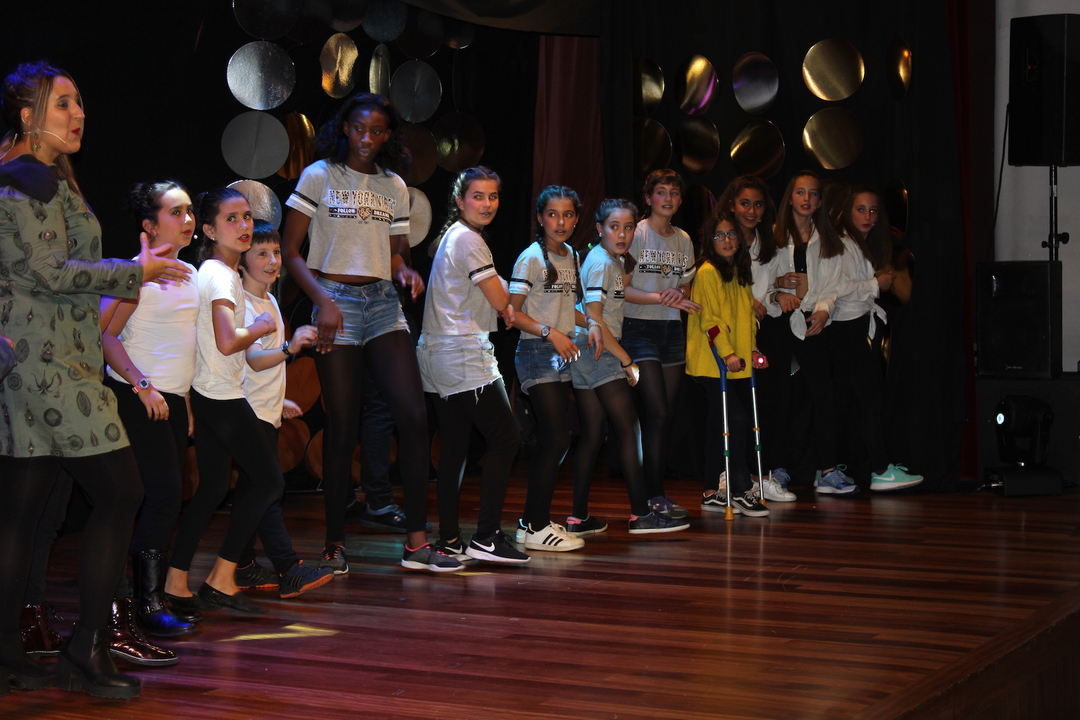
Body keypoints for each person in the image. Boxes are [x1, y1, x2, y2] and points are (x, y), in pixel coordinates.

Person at [0, 60, 189, 699]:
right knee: (122, 492)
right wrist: (134, 272)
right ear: (27, 115)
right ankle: (87, 648)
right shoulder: (27, 178)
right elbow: (52, 272)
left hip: (41, 363)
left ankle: (8, 653)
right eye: (62, 104)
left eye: (79, 102)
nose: (78, 114)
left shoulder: (38, 175)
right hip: (50, 366)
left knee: (21, 513)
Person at [281, 92, 445, 573]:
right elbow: (291, 251)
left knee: (413, 416)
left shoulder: (394, 185)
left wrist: (404, 272)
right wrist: (323, 301)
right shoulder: (320, 175)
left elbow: (394, 253)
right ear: (345, 129)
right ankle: (334, 544)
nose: (367, 138)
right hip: (335, 300)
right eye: (359, 128)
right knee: (343, 424)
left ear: (388, 135)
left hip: (382, 303)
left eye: (377, 130)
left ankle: (416, 544)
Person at [164, 188, 334, 617]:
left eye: (246, 217)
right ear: (209, 230)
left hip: (213, 393)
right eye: (231, 219)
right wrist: (260, 327)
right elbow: (227, 342)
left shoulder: (216, 271)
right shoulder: (221, 275)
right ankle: (221, 579)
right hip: (220, 395)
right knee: (269, 482)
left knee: (212, 491)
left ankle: (175, 583)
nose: (243, 226)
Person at [101, 180, 200, 644]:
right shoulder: (137, 274)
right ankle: (147, 604)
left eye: (189, 210)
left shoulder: (190, 272)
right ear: (150, 225)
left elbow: (183, 345)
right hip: (139, 396)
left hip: (172, 402)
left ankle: (149, 599)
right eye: (175, 212)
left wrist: (187, 403)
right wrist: (143, 387)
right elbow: (106, 336)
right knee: (162, 495)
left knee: (166, 497)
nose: (187, 219)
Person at [418, 166, 528, 565]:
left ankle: (449, 539)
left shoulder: (455, 235)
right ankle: (486, 537)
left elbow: (496, 301)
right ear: (459, 200)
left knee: (455, 448)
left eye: (493, 196)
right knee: (506, 439)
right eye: (478, 196)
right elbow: (501, 302)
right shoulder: (469, 240)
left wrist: (506, 303)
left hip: (438, 351)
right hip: (460, 352)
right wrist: (517, 295)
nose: (487, 204)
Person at [231, 219, 349, 591]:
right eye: (261, 254)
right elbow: (253, 360)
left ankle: (242, 565)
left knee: (253, 490)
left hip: (265, 411)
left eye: (276, 252)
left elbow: (261, 367)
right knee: (268, 488)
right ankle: (288, 567)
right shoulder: (242, 304)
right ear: (241, 262)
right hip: (247, 413)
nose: (272, 261)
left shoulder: (269, 300)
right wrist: (290, 346)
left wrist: (279, 399)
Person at [569, 199, 689, 535]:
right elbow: (594, 318)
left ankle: (578, 518)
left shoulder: (609, 260)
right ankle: (641, 514)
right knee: (629, 429)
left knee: (594, 433)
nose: (622, 234)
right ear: (599, 229)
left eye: (628, 227)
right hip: (598, 349)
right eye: (614, 227)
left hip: (588, 349)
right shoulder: (601, 262)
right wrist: (626, 360)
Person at [508, 185, 599, 551]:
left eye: (567, 215)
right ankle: (535, 525)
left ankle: (531, 522)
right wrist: (551, 333)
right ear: (540, 218)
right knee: (558, 438)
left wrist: (591, 323)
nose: (560, 222)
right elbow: (511, 314)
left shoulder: (572, 255)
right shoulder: (531, 257)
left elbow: (565, 308)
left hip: (560, 353)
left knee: (554, 439)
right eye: (552, 214)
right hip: (535, 351)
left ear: (576, 219)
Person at [622, 169, 701, 520]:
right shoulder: (636, 233)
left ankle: (656, 492)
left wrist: (679, 294)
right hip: (637, 328)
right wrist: (659, 296)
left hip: (671, 331)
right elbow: (622, 288)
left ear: (680, 200)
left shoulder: (684, 239)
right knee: (657, 412)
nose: (668, 198)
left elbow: (685, 286)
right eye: (661, 192)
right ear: (648, 197)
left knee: (663, 417)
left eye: (674, 193)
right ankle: (651, 494)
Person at [833, 187, 923, 492]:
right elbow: (836, 289)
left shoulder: (858, 245)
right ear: (847, 212)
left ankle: (830, 468)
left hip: (855, 326)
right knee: (868, 401)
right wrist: (875, 283)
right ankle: (880, 470)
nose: (868, 216)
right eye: (861, 209)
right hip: (847, 327)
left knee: (848, 402)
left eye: (873, 211)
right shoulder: (842, 245)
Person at [770, 171, 851, 494]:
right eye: (800, 192)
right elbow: (759, 280)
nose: (806, 198)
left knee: (823, 397)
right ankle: (776, 469)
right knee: (782, 397)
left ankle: (827, 469)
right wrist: (778, 292)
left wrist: (824, 310)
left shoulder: (828, 240)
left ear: (819, 202)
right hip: (780, 323)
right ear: (790, 197)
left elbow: (832, 285)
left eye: (813, 193)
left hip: (814, 324)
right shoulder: (773, 236)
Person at [717, 175, 796, 503]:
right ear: (732, 205)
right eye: (745, 203)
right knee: (735, 406)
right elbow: (715, 285)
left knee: (767, 404)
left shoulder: (770, 244)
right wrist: (747, 303)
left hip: (763, 331)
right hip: (730, 332)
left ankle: (764, 475)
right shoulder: (722, 239)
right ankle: (733, 475)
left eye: (758, 204)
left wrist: (777, 295)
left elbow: (773, 287)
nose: (751, 211)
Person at [688, 211, 770, 517]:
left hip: (733, 359)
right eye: (719, 235)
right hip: (712, 361)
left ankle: (712, 490)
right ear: (710, 241)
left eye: (731, 234)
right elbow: (709, 320)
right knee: (735, 419)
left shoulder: (738, 272)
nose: (726, 240)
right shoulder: (708, 272)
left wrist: (752, 349)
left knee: (718, 422)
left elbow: (747, 317)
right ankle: (739, 487)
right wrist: (727, 353)